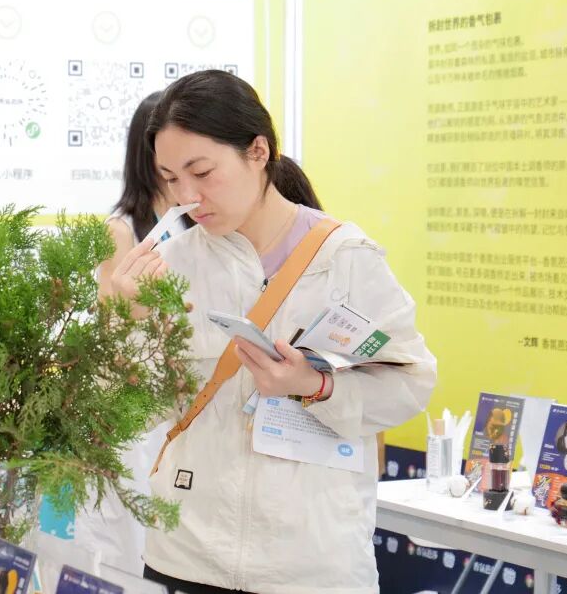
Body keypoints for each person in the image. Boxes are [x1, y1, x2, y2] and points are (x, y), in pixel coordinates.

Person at [111, 70, 436, 593]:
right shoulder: (170, 264)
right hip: (187, 556)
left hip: (309, 565)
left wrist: (315, 385)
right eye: (170, 178)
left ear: (258, 152)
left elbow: (411, 384)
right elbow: (132, 413)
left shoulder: (345, 259)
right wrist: (128, 324)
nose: (187, 196)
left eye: (202, 172)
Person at [75, 91, 192, 572]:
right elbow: (113, 325)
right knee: (124, 543)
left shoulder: (196, 224)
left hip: (181, 403)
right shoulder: (121, 229)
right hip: (131, 407)